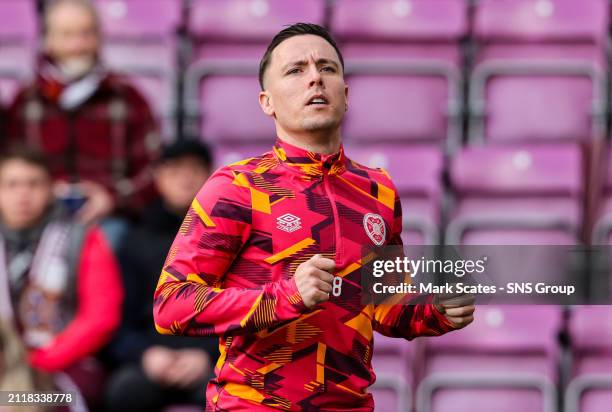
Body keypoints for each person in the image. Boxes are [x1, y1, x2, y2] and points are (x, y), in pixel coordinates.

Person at [154, 23, 475, 411]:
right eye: (295, 70)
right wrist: (285, 296)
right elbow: (172, 306)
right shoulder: (236, 186)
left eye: (327, 68)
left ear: (346, 94)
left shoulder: (377, 190)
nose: (315, 79)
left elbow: (384, 303)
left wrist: (434, 311)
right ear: (266, 102)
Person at [5, 0, 160, 246]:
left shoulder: (128, 98)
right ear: (48, 40)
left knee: (113, 246)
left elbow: (153, 172)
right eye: (67, 35)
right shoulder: (26, 100)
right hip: (38, 219)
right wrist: (42, 192)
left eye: (86, 33)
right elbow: (8, 167)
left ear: (99, 38)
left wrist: (112, 199)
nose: (77, 45)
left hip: (109, 222)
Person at [0, 147, 123, 410]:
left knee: (26, 402)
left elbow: (101, 317)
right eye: (11, 185)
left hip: (64, 365)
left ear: (51, 189)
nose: (23, 194)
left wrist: (42, 360)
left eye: (34, 184)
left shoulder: (83, 237)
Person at [105, 140, 218, 412]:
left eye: (194, 168)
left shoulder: (230, 236)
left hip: (214, 358)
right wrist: (145, 354)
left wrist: (207, 355)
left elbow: (248, 309)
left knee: (234, 395)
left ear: (211, 175)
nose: (185, 178)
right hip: (152, 356)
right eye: (175, 169)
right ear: (158, 177)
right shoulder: (134, 239)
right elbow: (119, 321)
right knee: (122, 393)